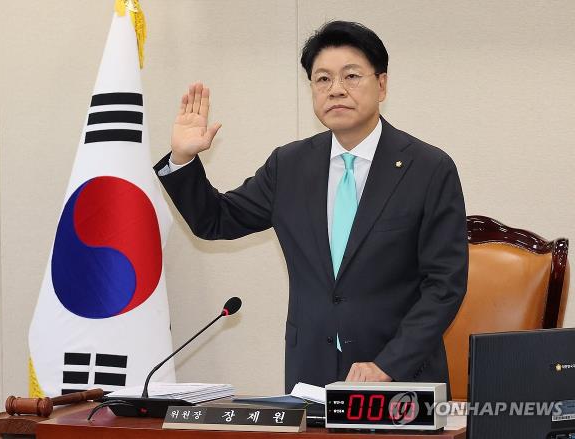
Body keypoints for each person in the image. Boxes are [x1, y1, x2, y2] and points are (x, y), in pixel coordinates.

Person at [154, 21, 468, 396]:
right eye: (322, 80)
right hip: (311, 375)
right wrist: (183, 159)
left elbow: (444, 285)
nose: (336, 89)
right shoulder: (289, 165)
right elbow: (215, 220)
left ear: (381, 84)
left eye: (351, 76)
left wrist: (389, 365)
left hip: (400, 377)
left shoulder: (428, 168)